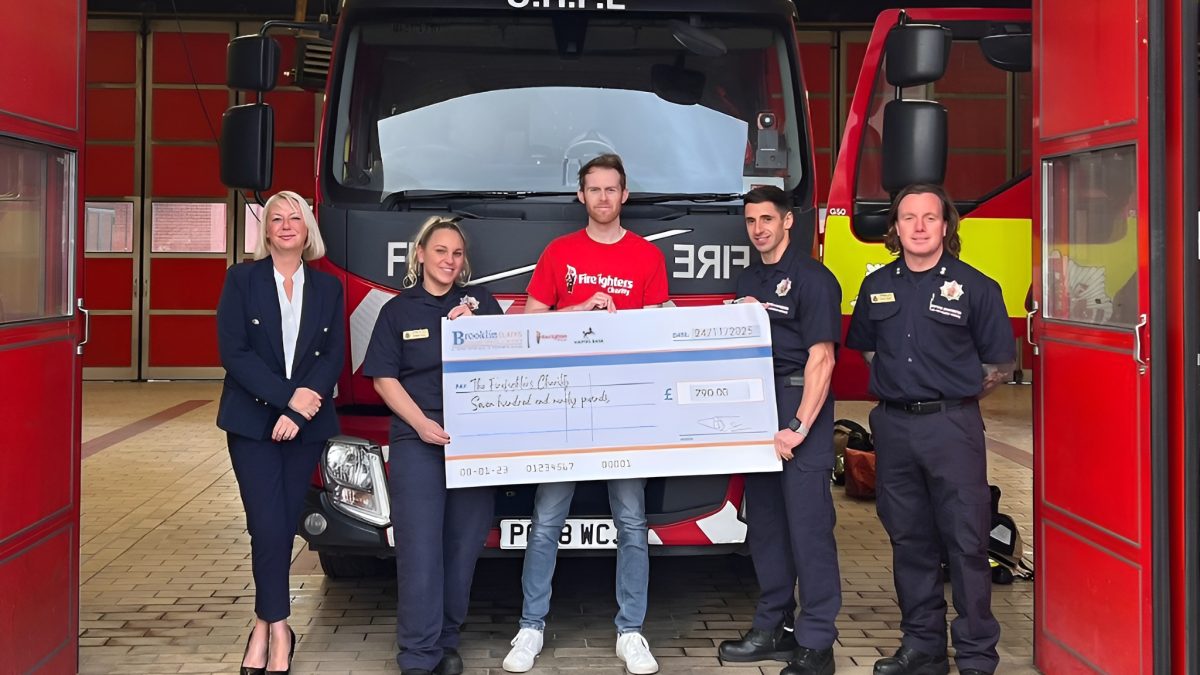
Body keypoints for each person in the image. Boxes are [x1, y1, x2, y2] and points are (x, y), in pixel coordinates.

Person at [502, 154, 667, 675]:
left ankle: (632, 632)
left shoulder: (646, 257)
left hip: (625, 410)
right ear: (581, 196)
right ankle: (530, 627)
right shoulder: (560, 252)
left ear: (625, 196)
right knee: (546, 519)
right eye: (593, 189)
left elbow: (660, 332)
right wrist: (579, 311)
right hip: (564, 409)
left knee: (632, 522)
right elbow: (530, 324)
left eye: (611, 189)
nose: (602, 198)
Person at [845, 183, 1014, 675]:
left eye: (930, 217)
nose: (919, 226)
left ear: (946, 225)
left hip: (952, 428)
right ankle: (923, 647)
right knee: (909, 539)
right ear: (894, 228)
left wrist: (951, 397)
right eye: (908, 217)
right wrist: (907, 388)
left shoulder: (978, 287)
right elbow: (868, 348)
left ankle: (978, 656)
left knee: (966, 542)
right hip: (894, 428)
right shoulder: (877, 285)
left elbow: (999, 365)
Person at [362, 217, 503, 675]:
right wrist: (421, 424)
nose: (449, 261)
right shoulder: (397, 311)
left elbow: (511, 362)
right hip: (418, 440)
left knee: (462, 547)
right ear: (420, 254)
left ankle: (445, 641)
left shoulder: (480, 304)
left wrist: (479, 329)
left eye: (457, 254)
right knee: (421, 549)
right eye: (440, 251)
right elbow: (384, 380)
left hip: (474, 444)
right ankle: (418, 657)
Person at [216, 190, 346, 675]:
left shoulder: (329, 287)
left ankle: (268, 627)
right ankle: (274, 625)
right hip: (252, 424)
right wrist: (285, 400)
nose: (287, 225)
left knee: (283, 525)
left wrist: (301, 410)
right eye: (277, 218)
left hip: (306, 426)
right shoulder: (241, 279)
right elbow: (235, 353)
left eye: (296, 217)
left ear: (308, 228)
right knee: (265, 526)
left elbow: (333, 356)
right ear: (265, 230)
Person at [716, 186, 841, 675]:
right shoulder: (750, 278)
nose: (758, 229)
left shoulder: (814, 279)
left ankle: (817, 643)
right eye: (751, 221)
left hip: (795, 405)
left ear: (788, 221)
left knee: (809, 529)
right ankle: (773, 627)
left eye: (767, 219)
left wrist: (797, 426)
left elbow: (822, 359)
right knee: (766, 526)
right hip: (756, 405)